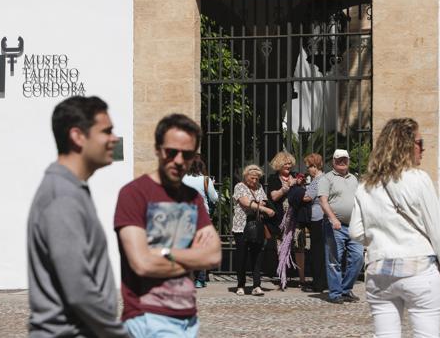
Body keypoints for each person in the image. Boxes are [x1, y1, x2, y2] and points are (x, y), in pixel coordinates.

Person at [349, 118, 440, 337]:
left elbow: (356, 232)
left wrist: (380, 235)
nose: (423, 148)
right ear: (407, 145)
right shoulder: (419, 179)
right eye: (420, 142)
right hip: (418, 268)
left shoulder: (366, 185)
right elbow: (437, 231)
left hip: (379, 269)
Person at [27, 96, 128, 337]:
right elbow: (79, 290)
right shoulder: (62, 196)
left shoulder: (70, 189)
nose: (114, 139)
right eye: (107, 131)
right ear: (78, 136)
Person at [114, 114, 222, 337]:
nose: (179, 160)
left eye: (188, 154)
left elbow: (213, 256)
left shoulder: (191, 198)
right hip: (147, 317)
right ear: (157, 149)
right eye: (171, 152)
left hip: (187, 318)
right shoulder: (134, 194)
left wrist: (165, 253)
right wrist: (192, 257)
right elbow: (142, 264)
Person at [319, 148, 364, 304]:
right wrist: (333, 219)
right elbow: (323, 201)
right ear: (333, 161)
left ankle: (345, 289)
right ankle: (336, 293)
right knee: (334, 260)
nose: (342, 162)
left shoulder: (354, 178)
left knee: (358, 258)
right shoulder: (326, 178)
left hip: (353, 225)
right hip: (335, 225)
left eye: (345, 159)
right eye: (339, 159)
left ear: (348, 161)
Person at [232, 164, 276, 296]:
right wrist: (263, 208)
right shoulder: (239, 186)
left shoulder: (259, 187)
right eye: (252, 178)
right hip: (241, 226)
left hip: (257, 226)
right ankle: (240, 285)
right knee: (242, 256)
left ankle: (256, 285)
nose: (255, 181)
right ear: (246, 177)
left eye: (257, 178)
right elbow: (245, 202)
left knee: (257, 256)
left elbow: (263, 200)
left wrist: (258, 205)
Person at [182, 154, 219, 288]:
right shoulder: (205, 180)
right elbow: (214, 198)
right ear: (201, 167)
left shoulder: (182, 179)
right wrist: (212, 186)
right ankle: (200, 280)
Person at [276, 172, 312, 289]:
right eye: (285, 163)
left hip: (297, 219)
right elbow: (273, 196)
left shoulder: (297, 180)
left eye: (289, 163)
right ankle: (282, 277)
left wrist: (296, 184)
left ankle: (302, 278)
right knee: (282, 248)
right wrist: (285, 188)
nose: (287, 166)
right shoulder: (275, 180)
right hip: (283, 220)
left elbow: (304, 196)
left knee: (299, 247)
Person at [303, 153, 328, 292]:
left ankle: (318, 283)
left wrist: (296, 190)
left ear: (315, 166)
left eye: (309, 167)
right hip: (322, 217)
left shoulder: (318, 180)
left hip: (317, 217)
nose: (308, 170)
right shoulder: (325, 178)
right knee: (323, 250)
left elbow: (307, 197)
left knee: (317, 251)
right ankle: (323, 281)